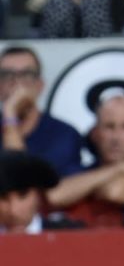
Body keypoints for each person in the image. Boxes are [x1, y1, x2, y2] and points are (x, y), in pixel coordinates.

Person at [47, 85, 124, 226]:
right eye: (109, 127)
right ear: (94, 134)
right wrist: (120, 168)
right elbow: (55, 196)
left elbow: (116, 193)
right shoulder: (81, 170)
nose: (116, 138)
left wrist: (84, 187)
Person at [0, 44, 83, 173]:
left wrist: (10, 114)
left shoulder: (63, 134)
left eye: (26, 75)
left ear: (40, 85)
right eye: (7, 75)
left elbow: (18, 184)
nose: (17, 83)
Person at [0, 148, 60, 231]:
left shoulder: (69, 232)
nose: (14, 211)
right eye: (3, 197)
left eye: (23, 195)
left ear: (39, 195)